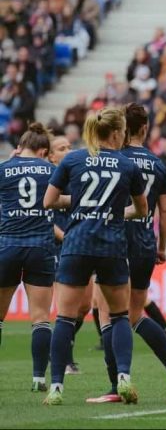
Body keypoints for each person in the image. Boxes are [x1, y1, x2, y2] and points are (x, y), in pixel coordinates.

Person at [87, 103, 166, 404]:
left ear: (120, 128)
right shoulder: (158, 164)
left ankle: (115, 385)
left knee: (108, 315)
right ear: (145, 129)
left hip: (115, 241)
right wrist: (162, 246)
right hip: (145, 245)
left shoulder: (115, 160)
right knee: (134, 315)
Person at [42, 106, 148, 405]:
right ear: (117, 132)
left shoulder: (74, 158)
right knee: (118, 317)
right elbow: (142, 209)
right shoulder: (128, 166)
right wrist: (116, 211)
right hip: (111, 246)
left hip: (76, 244)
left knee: (64, 317)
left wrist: (81, 206)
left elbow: (49, 201)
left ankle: (56, 387)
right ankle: (124, 378)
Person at [0, 124, 59, 392]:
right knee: (40, 318)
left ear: (21, 145)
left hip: (7, 245)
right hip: (40, 247)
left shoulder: (3, 170)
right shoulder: (51, 170)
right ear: (44, 150)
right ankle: (38, 378)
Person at [48, 136, 90, 376]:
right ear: (51, 156)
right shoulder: (51, 179)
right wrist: (66, 237)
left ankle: (57, 349)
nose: (67, 151)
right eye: (61, 149)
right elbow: (47, 216)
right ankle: (64, 358)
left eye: (69, 147)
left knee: (85, 305)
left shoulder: (77, 175)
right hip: (60, 247)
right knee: (67, 308)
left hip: (82, 244)